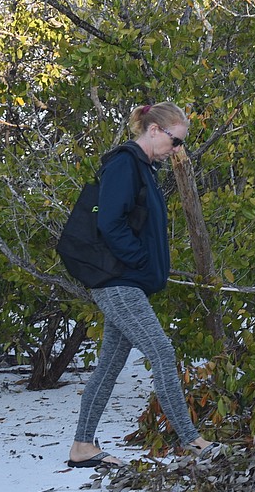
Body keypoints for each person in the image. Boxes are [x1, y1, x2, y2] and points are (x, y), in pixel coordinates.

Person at [68, 102, 218, 468]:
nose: (178, 149)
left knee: (109, 365)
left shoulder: (144, 168)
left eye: (181, 143)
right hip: (118, 281)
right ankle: (192, 440)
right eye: (175, 140)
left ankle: (82, 446)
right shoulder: (125, 164)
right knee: (162, 351)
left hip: (127, 281)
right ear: (153, 130)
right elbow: (109, 223)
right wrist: (139, 262)